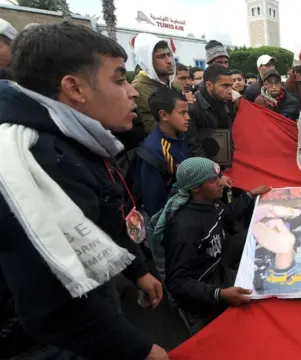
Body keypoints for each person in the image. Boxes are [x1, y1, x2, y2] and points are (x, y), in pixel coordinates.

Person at [0, 22, 168, 360]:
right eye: (120, 79)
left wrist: (137, 270)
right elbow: (53, 309)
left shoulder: (74, 138)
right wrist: (143, 351)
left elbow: (101, 221)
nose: (133, 91)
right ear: (75, 89)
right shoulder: (37, 162)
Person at [153, 157, 270, 334]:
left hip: (218, 265)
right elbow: (177, 283)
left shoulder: (210, 202)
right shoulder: (185, 228)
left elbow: (228, 214)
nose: (221, 182)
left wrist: (251, 194)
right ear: (196, 187)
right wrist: (220, 294)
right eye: (214, 179)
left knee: (256, 235)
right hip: (207, 294)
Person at [137, 87, 191, 218]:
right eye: (182, 113)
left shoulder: (181, 136)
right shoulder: (154, 151)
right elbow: (155, 204)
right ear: (164, 115)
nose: (188, 118)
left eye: (187, 112)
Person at [187, 64, 237, 168]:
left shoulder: (228, 101)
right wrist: (214, 175)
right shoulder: (193, 109)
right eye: (225, 86)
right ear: (209, 85)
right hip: (207, 172)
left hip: (227, 167)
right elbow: (195, 148)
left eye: (230, 86)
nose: (230, 91)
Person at [132, 33, 176, 134]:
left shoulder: (171, 83)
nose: (169, 61)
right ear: (147, 60)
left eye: (169, 54)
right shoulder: (139, 88)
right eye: (161, 57)